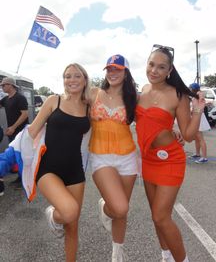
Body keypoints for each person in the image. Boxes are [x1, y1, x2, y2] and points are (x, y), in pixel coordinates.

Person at [135, 45, 205, 262]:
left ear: (169, 70)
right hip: (148, 159)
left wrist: (198, 110)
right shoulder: (143, 91)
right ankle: (165, 256)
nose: (154, 70)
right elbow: (144, 121)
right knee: (156, 218)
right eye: (151, 64)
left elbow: (190, 135)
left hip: (170, 161)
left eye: (161, 67)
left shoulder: (178, 95)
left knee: (161, 216)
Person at [28, 63, 90, 262]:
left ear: (84, 79)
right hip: (48, 168)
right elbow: (32, 130)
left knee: (73, 225)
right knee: (69, 212)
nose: (71, 80)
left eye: (76, 76)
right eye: (67, 76)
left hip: (75, 169)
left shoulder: (89, 106)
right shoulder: (53, 101)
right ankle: (53, 215)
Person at [88, 54, 138, 261]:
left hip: (127, 158)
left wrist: (174, 128)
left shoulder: (134, 97)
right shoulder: (92, 94)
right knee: (119, 207)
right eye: (109, 69)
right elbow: (69, 106)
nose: (112, 73)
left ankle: (117, 253)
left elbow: (154, 113)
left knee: (122, 212)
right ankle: (104, 207)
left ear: (125, 73)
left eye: (117, 69)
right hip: (101, 158)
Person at [0, 77, 29, 194]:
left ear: (10, 85)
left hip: (21, 132)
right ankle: (20, 176)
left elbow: (25, 114)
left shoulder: (20, 98)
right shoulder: (6, 99)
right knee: (15, 155)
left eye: (3, 85)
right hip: (12, 132)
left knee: (22, 155)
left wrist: (13, 127)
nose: (2, 87)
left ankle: (25, 180)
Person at [189, 83, 210, 164]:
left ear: (193, 89)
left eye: (190, 88)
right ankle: (197, 154)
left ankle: (204, 157)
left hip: (198, 118)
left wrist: (194, 111)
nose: (189, 89)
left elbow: (201, 101)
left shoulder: (198, 94)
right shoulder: (194, 96)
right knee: (197, 138)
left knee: (200, 138)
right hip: (196, 118)